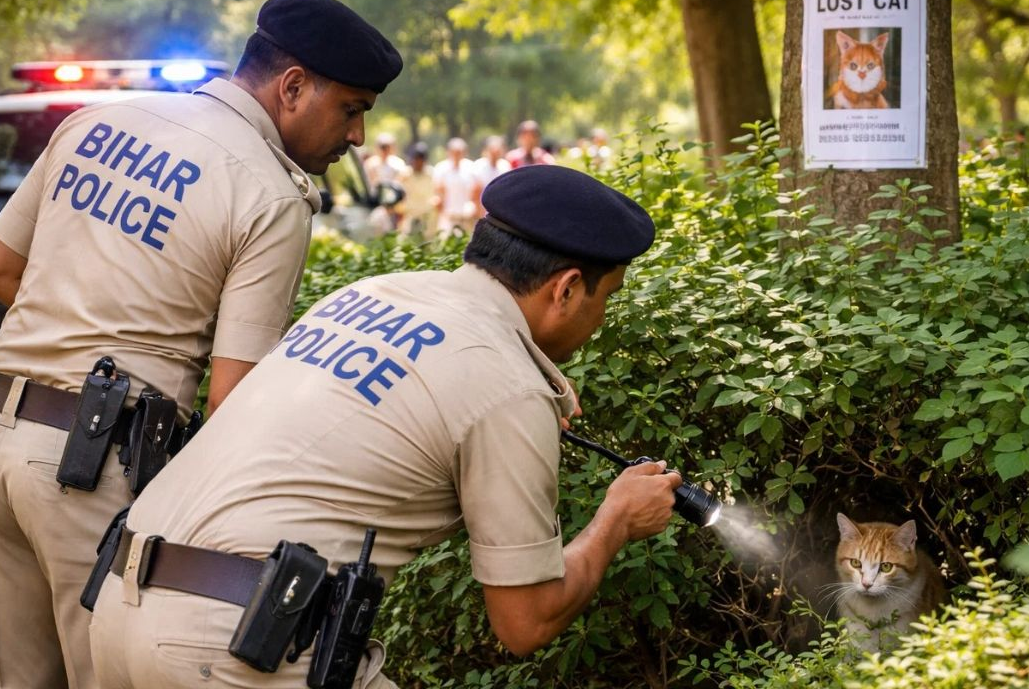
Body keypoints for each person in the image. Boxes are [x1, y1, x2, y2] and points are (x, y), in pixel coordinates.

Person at [87, 165, 681, 688]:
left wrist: (523, 387)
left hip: (118, 604)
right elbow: (524, 621)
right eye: (609, 298)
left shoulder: (371, 294)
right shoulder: (506, 385)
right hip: (236, 644)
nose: (603, 318)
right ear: (568, 288)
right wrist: (616, 521)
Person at [0, 0, 401, 689]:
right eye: (352, 108)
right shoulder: (270, 195)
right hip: (90, 466)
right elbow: (232, 400)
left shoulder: (94, 122)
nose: (356, 138)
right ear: (292, 87)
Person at [433, 136, 481, 235]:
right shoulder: (441, 168)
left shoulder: (471, 168)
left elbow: (477, 190)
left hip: (467, 217)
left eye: (459, 152)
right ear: (448, 152)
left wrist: (475, 210)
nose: (456, 155)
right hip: (448, 217)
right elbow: (438, 192)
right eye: (454, 152)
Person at [395, 141, 436, 239]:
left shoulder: (431, 174)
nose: (417, 162)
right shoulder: (405, 174)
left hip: (426, 217)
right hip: (409, 217)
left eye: (420, 159)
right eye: (415, 159)